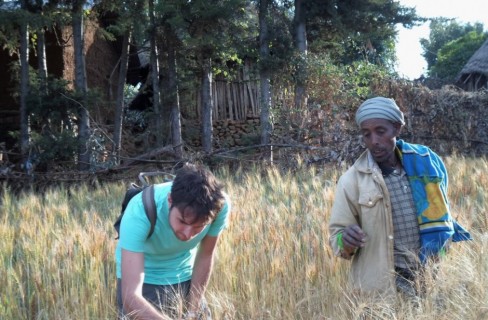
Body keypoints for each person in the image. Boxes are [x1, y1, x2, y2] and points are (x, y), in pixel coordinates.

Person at [328, 97, 471, 300]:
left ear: (396, 128)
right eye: (366, 134)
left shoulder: (427, 164)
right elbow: (337, 238)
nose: (374, 141)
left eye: (380, 131)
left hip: (431, 276)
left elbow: (442, 210)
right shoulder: (352, 181)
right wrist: (346, 240)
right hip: (385, 287)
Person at [115, 164, 231, 319]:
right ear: (170, 200)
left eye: (199, 227)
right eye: (182, 221)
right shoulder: (139, 212)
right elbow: (131, 298)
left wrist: (193, 311)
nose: (187, 234)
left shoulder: (219, 207)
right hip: (144, 281)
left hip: (186, 277)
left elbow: (205, 255)